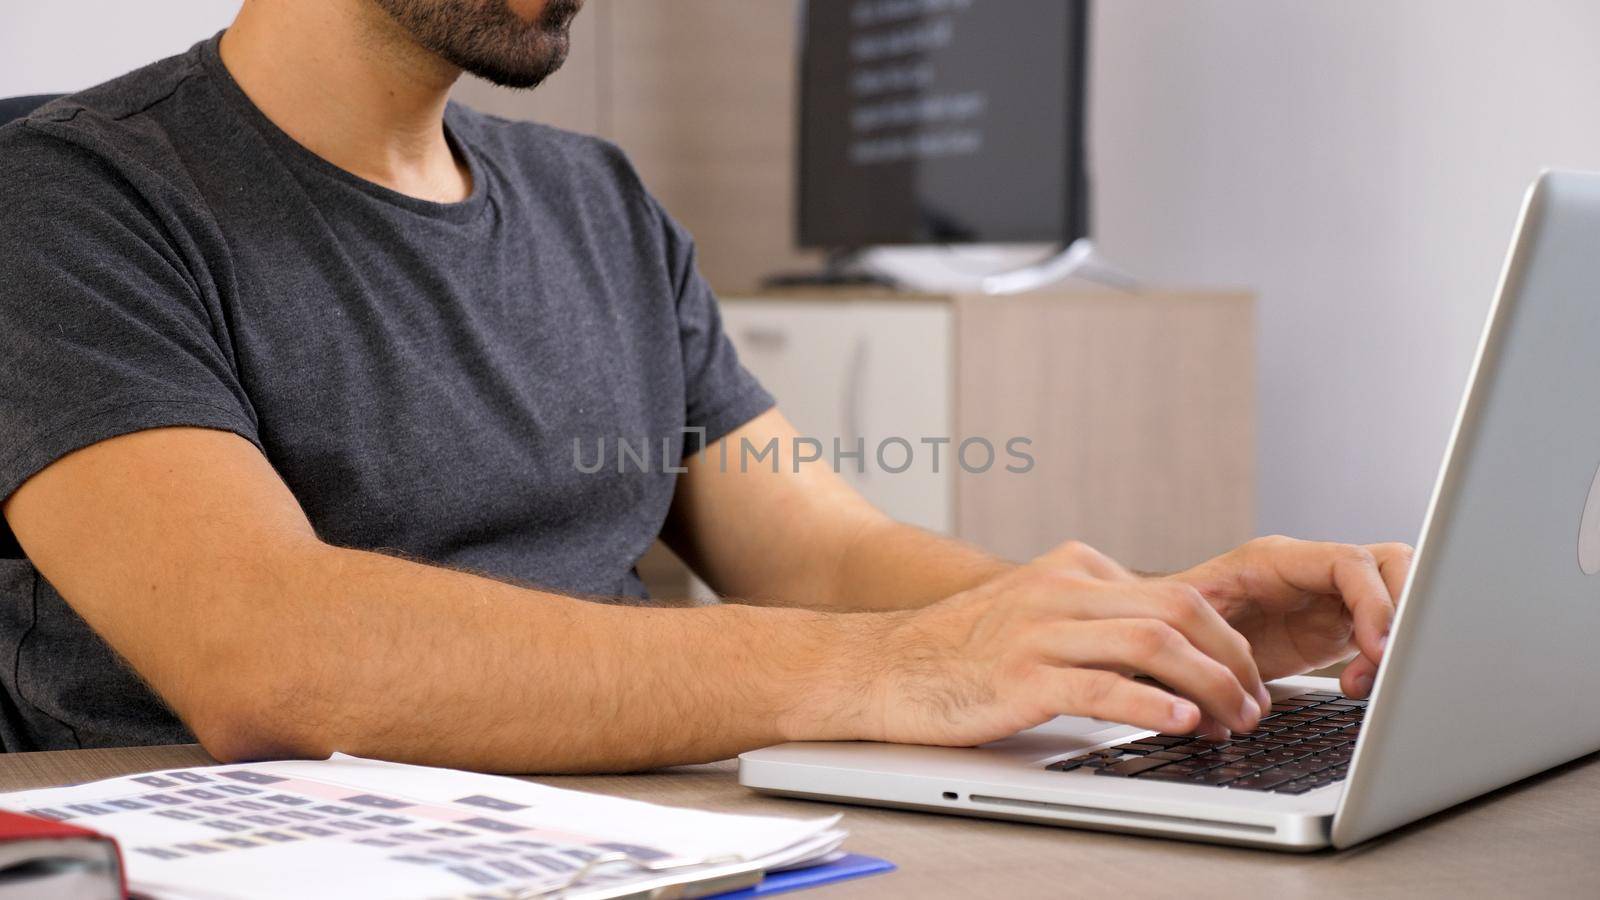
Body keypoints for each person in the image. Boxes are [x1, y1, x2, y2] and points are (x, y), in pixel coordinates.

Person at [0, 0, 1410, 771]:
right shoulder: (71, 197)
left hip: (640, 832)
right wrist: (895, 673)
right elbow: (270, 657)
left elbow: (818, 546)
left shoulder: (596, 199)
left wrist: (1150, 622)